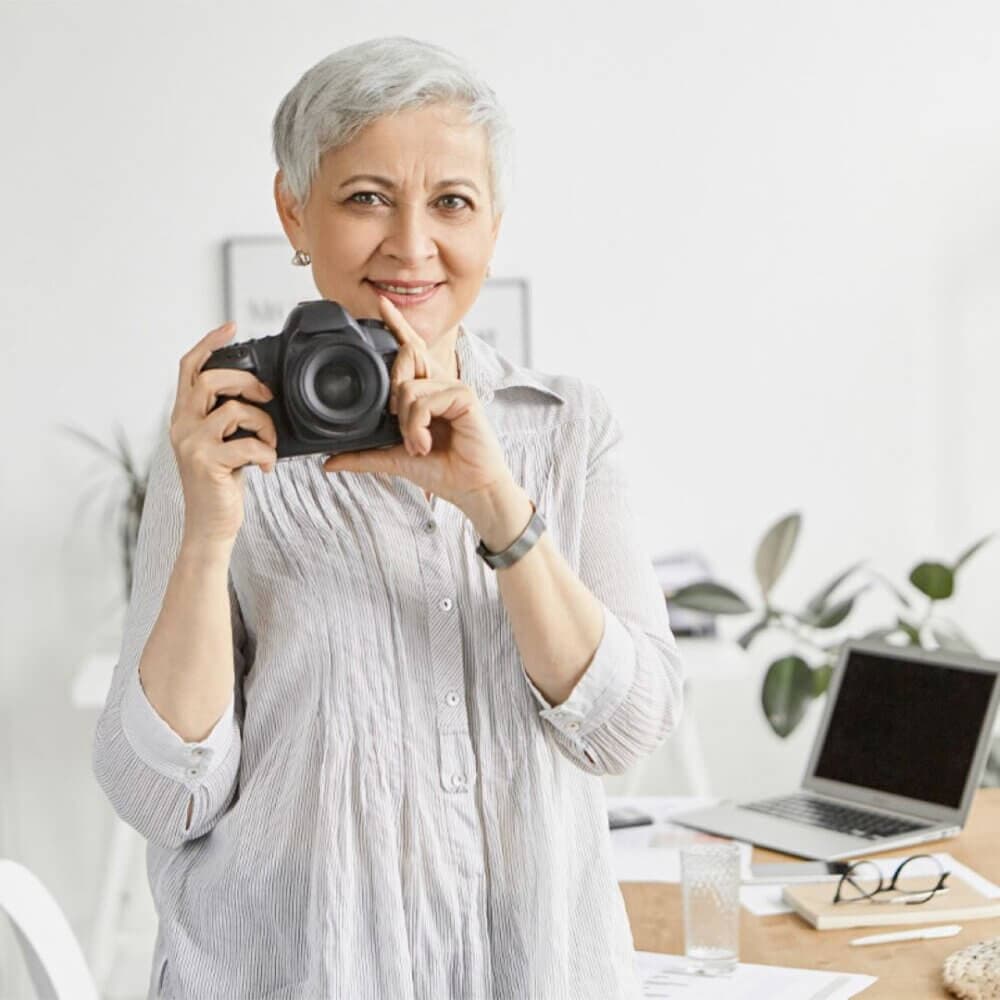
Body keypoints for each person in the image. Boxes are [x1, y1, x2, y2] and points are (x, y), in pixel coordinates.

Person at [92, 35, 684, 1000]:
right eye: (366, 197)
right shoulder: (226, 439)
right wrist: (208, 534)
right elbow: (164, 793)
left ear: (493, 223)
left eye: (452, 201)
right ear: (295, 209)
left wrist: (499, 510)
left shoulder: (566, 431)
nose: (413, 246)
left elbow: (623, 732)